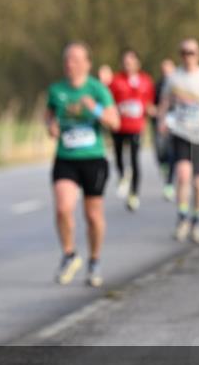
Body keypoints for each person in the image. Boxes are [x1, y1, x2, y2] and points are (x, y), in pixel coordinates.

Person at [45, 42, 119, 288]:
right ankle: (69, 255)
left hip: (93, 159)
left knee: (92, 215)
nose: (70, 64)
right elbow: (49, 114)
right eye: (67, 59)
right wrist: (51, 126)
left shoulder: (97, 89)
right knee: (63, 208)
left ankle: (95, 260)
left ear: (87, 63)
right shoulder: (56, 90)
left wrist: (95, 108)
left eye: (76, 59)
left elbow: (114, 122)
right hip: (66, 158)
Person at [157, 39, 199, 244]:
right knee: (182, 175)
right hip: (180, 132)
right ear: (180, 55)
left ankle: (196, 220)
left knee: (198, 181)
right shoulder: (174, 78)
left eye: (192, 52)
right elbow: (165, 101)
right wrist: (161, 120)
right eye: (184, 52)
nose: (188, 56)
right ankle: (182, 219)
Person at [108, 48, 154, 211]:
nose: (128, 65)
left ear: (137, 63)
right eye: (125, 62)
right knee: (119, 156)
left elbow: (148, 102)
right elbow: (109, 101)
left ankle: (134, 194)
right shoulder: (115, 80)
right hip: (119, 126)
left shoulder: (146, 80)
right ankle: (122, 175)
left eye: (131, 62)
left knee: (135, 160)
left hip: (136, 126)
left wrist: (149, 112)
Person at [151, 58, 177, 201]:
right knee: (160, 150)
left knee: (172, 151)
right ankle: (163, 165)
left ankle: (169, 184)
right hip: (160, 121)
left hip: (175, 123)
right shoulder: (158, 85)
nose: (166, 73)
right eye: (163, 70)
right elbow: (153, 103)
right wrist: (155, 111)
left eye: (169, 70)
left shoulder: (179, 85)